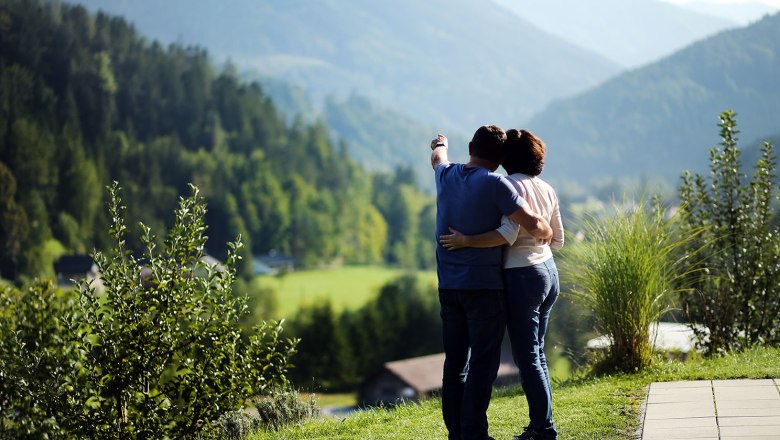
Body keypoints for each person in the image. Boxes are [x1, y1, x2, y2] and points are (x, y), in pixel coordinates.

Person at [439, 129, 564, 440]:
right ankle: (540, 425)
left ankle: (538, 428)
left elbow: (507, 234)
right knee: (533, 353)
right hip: (545, 271)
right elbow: (556, 239)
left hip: (511, 276)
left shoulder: (495, 183)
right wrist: (542, 231)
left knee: (515, 357)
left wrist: (467, 240)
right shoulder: (544, 188)